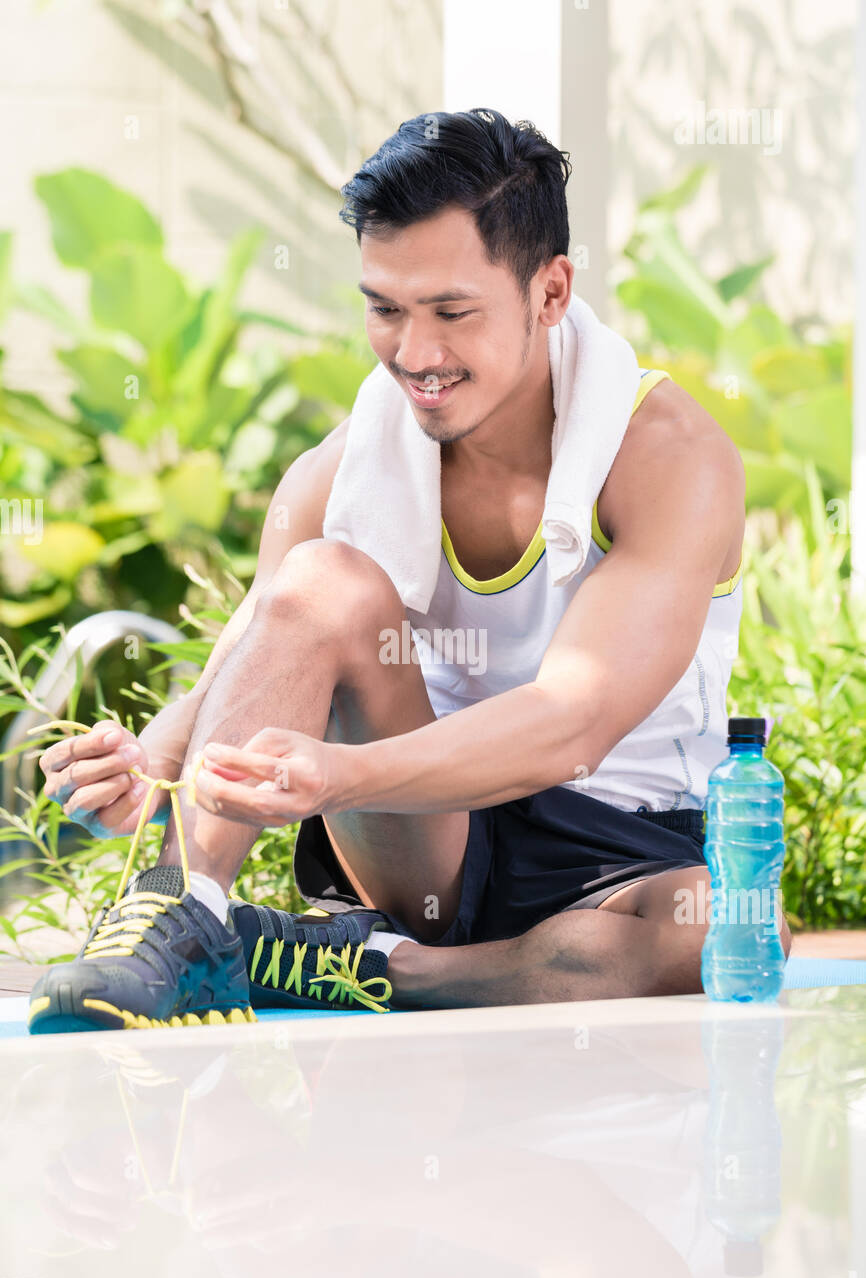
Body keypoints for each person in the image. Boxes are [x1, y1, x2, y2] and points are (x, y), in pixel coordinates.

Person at [29, 109, 791, 1033]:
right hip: (429, 835)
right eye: (385, 309)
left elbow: (572, 724)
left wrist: (344, 774)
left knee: (729, 929)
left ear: (550, 293)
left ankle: (374, 967)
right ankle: (185, 917)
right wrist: (152, 768)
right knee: (319, 580)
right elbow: (259, 646)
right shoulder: (351, 461)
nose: (415, 357)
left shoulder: (669, 457)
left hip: (622, 847)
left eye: (452, 313)